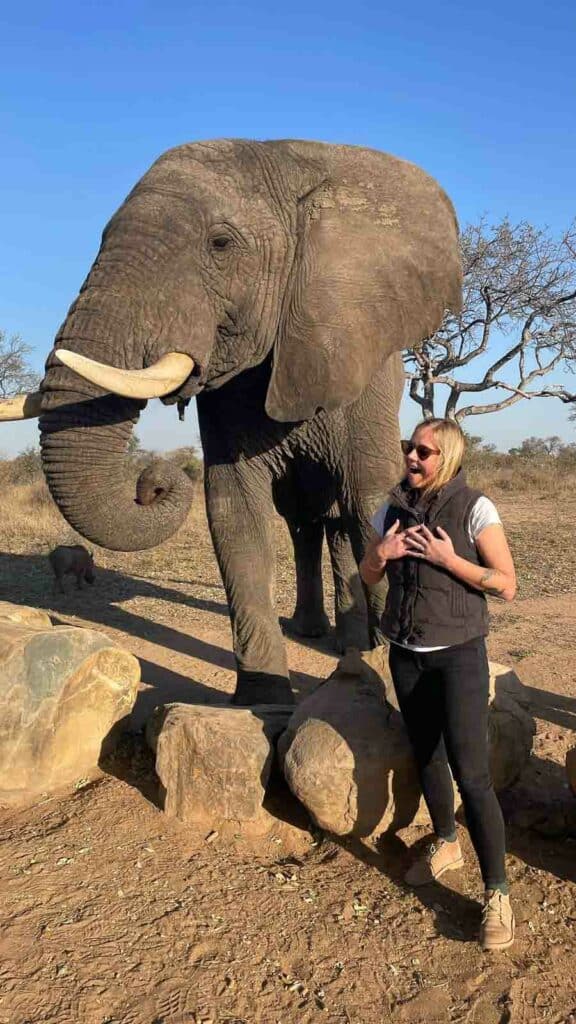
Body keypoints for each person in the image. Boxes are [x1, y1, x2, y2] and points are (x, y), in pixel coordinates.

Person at [360, 417, 517, 952]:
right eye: (409, 448)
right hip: (406, 655)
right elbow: (367, 574)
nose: (412, 458)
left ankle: (496, 893)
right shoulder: (390, 510)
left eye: (424, 452)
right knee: (426, 754)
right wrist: (382, 555)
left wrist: (451, 561)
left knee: (472, 774)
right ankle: (447, 843)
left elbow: (508, 585)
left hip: (459, 657)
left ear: (445, 458)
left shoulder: (475, 508)